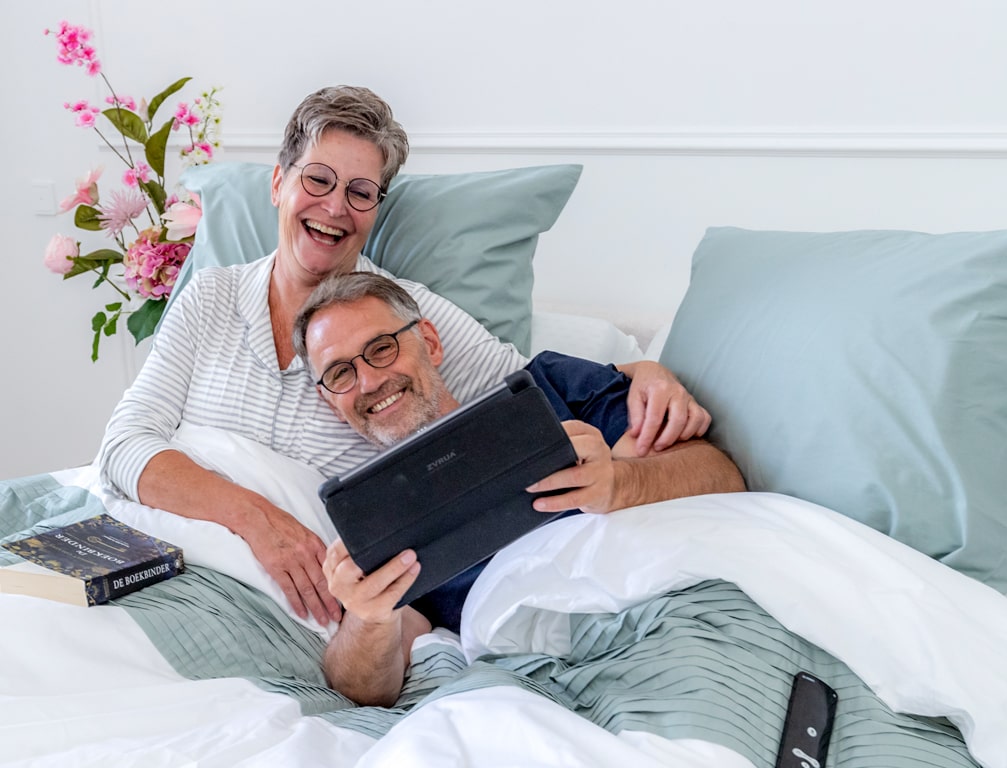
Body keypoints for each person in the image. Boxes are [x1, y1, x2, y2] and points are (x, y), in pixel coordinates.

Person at [97, 84, 708, 627]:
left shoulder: (403, 315)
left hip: (286, 609)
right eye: (317, 179)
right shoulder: (210, 297)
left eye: (360, 192)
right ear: (279, 183)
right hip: (162, 550)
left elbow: (526, 394)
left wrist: (637, 370)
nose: (335, 207)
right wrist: (256, 520)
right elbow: (122, 447)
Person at [292, 271, 747, 706]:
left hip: (662, 616)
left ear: (429, 342)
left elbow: (721, 475)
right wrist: (369, 618)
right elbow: (367, 691)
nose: (370, 381)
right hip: (538, 678)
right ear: (331, 403)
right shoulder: (378, 522)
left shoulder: (550, 387)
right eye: (340, 374)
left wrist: (621, 484)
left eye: (382, 348)